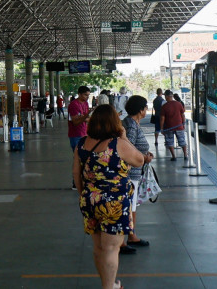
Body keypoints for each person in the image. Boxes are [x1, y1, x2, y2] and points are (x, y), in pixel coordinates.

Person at [73, 104, 144, 289]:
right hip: (115, 204)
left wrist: (86, 196)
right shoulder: (118, 144)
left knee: (98, 247)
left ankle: (109, 284)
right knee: (111, 248)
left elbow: (76, 175)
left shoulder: (81, 143)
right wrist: (125, 136)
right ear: (115, 122)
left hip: (90, 200)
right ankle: (108, 287)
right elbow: (139, 160)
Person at [122, 95, 154, 249]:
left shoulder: (131, 123)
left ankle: (129, 235)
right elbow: (129, 149)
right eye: (145, 108)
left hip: (134, 170)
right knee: (130, 205)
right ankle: (129, 237)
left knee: (131, 204)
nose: (146, 110)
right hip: (130, 172)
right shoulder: (131, 126)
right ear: (141, 110)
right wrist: (143, 158)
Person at [159, 90, 188, 161]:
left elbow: (162, 118)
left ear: (167, 96)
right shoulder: (178, 104)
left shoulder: (164, 106)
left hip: (169, 127)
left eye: (165, 96)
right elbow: (182, 115)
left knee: (170, 142)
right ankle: (185, 155)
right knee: (182, 141)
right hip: (179, 126)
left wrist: (161, 128)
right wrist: (183, 124)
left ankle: (174, 156)